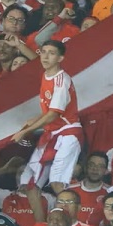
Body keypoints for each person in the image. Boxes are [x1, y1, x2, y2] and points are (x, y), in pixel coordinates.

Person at [13, 41, 81, 202]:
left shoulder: (61, 81)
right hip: (51, 132)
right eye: (43, 52)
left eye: (51, 53)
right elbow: (37, 62)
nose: (45, 56)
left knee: (58, 183)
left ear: (60, 58)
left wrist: (25, 131)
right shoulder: (46, 73)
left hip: (67, 133)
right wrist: (19, 45)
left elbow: (52, 115)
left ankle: (73, 221)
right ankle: (39, 224)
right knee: (30, 184)